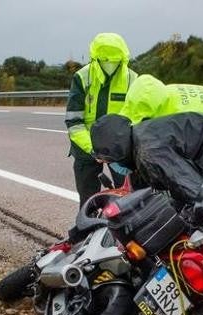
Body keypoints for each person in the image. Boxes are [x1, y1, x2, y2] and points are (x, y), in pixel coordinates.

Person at [90, 113, 203, 204]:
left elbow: (195, 192)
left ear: (116, 152)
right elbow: (146, 183)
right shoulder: (141, 135)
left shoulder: (149, 152)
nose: (109, 165)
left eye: (106, 160)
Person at [65, 33, 138, 205]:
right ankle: (85, 231)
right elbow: (74, 122)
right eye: (105, 59)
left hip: (120, 151)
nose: (110, 63)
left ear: (123, 58)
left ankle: (121, 231)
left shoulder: (133, 79)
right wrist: (93, 149)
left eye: (114, 60)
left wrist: (123, 149)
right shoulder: (82, 77)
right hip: (86, 148)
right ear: (95, 58)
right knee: (88, 202)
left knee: (128, 200)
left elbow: (138, 119)